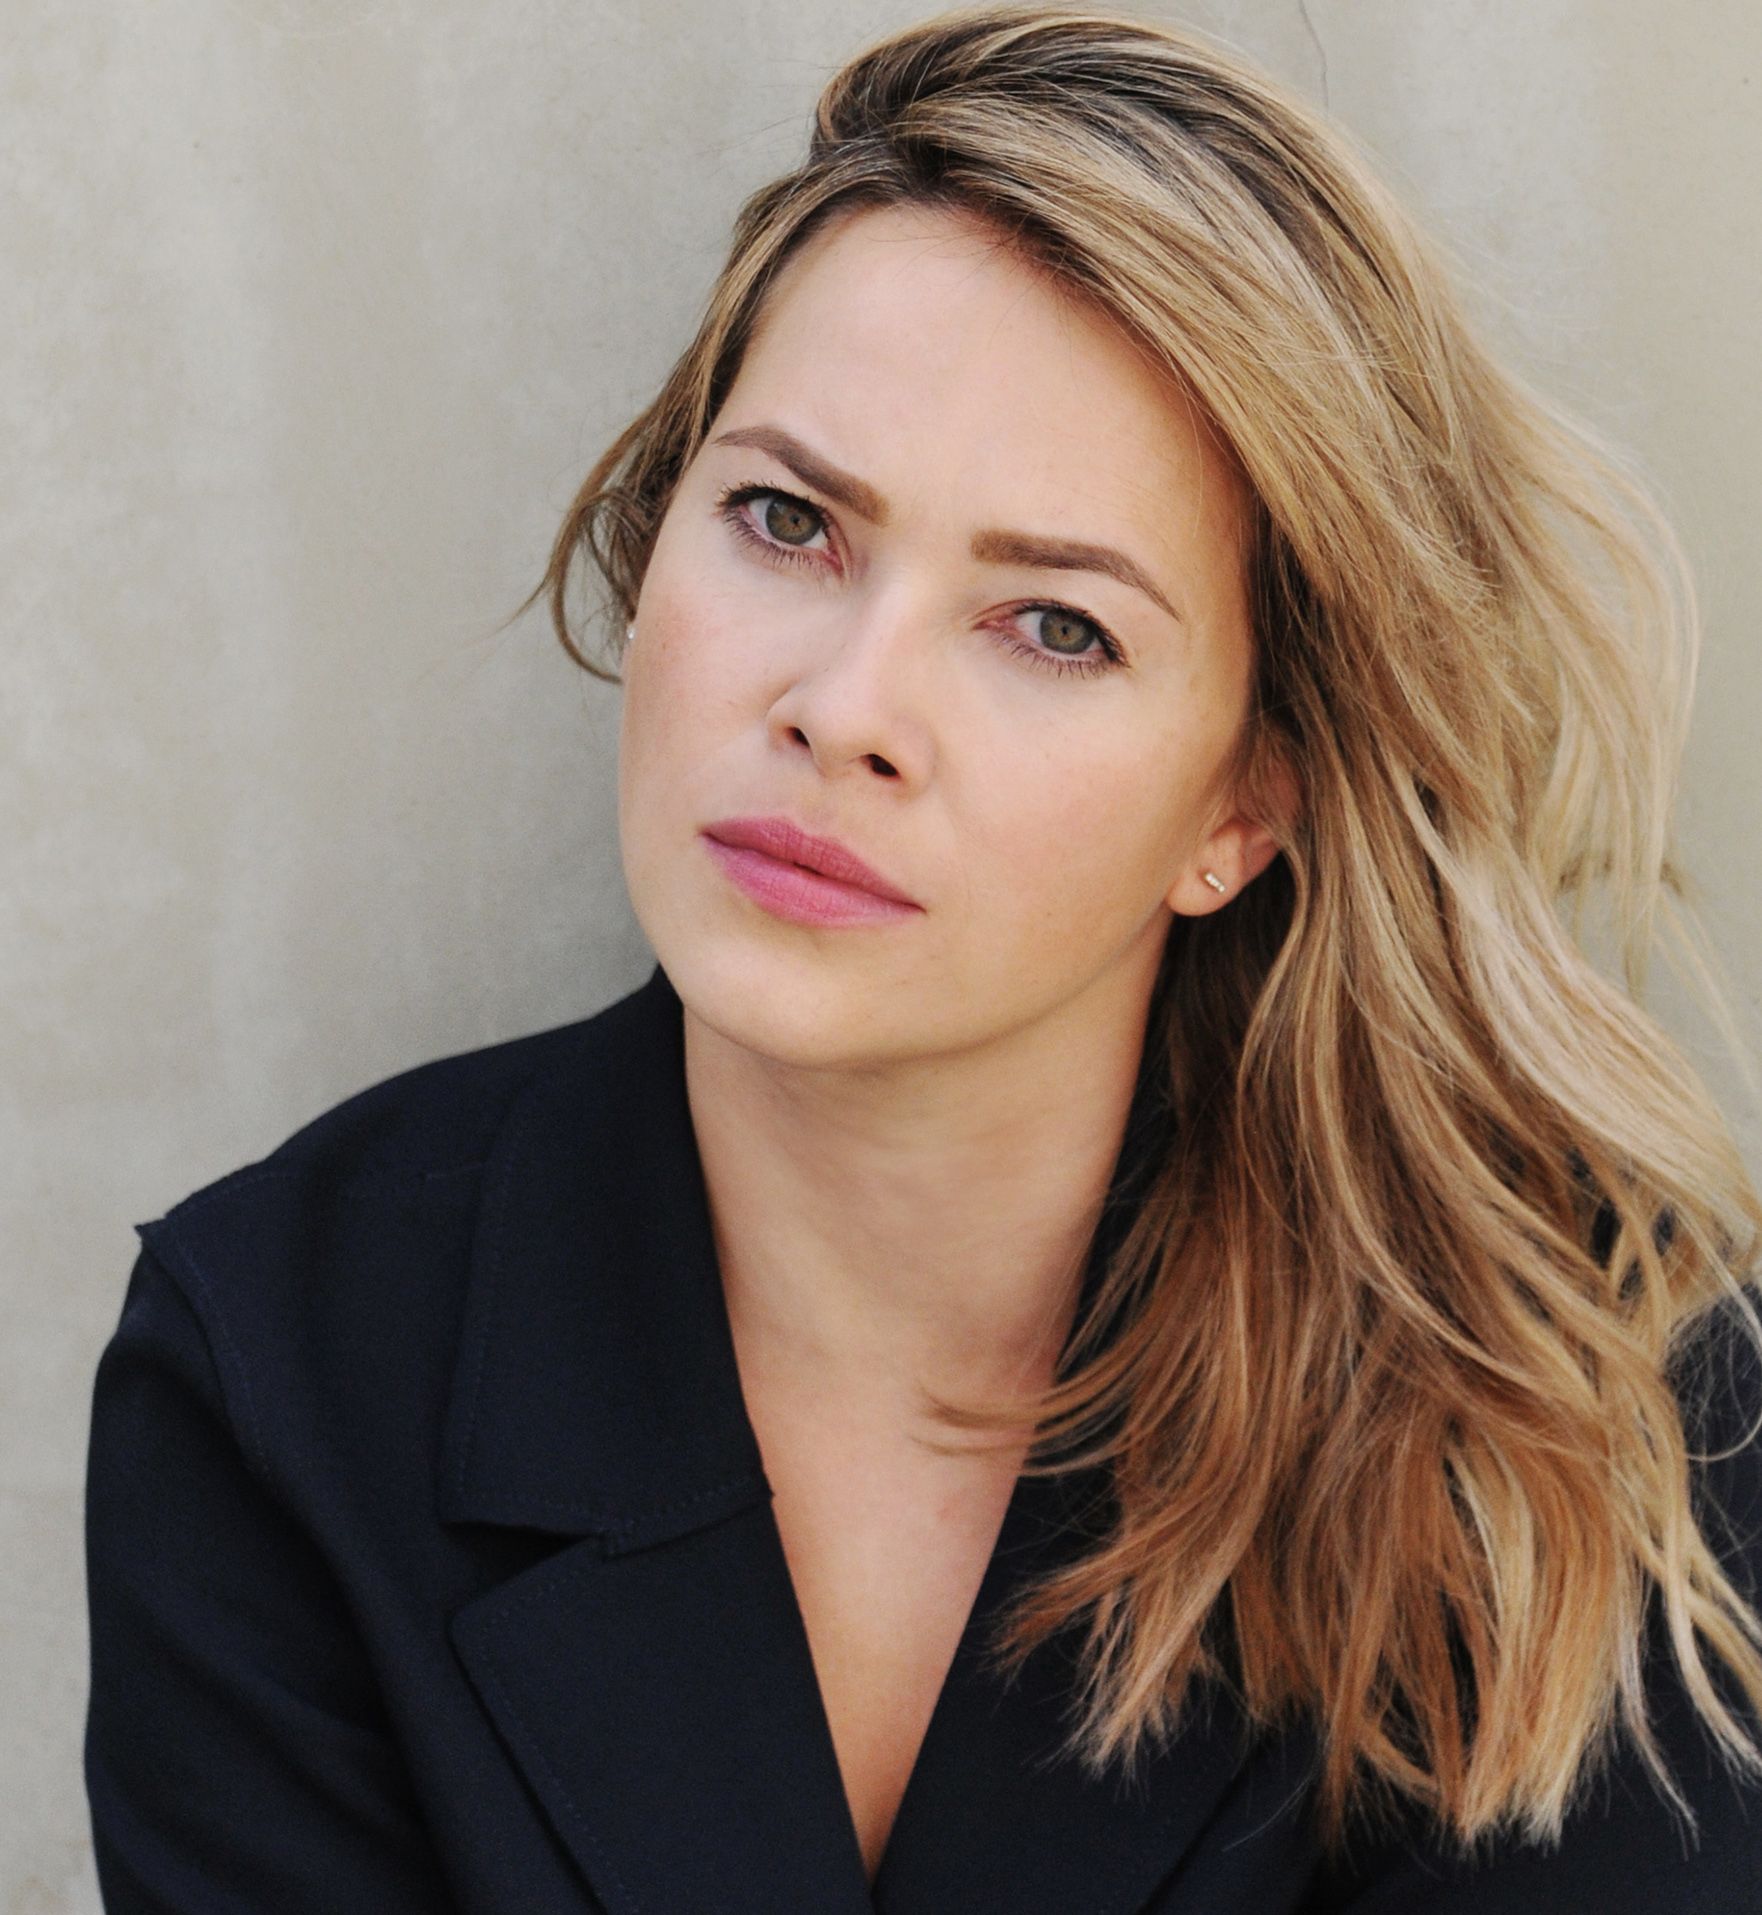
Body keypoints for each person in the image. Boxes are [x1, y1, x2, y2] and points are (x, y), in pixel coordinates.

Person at [82, 5, 1762, 1909]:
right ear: (653, 545)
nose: (846, 707)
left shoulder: (1585, 1405)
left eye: (1053, 626)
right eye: (786, 521)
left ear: (1242, 805)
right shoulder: (283, 1362)